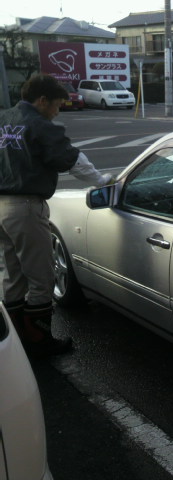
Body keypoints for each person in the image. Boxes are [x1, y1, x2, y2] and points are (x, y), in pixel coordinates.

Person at [0, 73, 112, 357]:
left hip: (1, 207)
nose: (58, 111)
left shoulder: (3, 119)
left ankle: (17, 341)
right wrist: (102, 181)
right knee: (41, 276)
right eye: (57, 104)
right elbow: (73, 161)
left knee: (12, 273)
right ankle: (39, 341)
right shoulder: (39, 125)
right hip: (25, 207)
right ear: (42, 100)